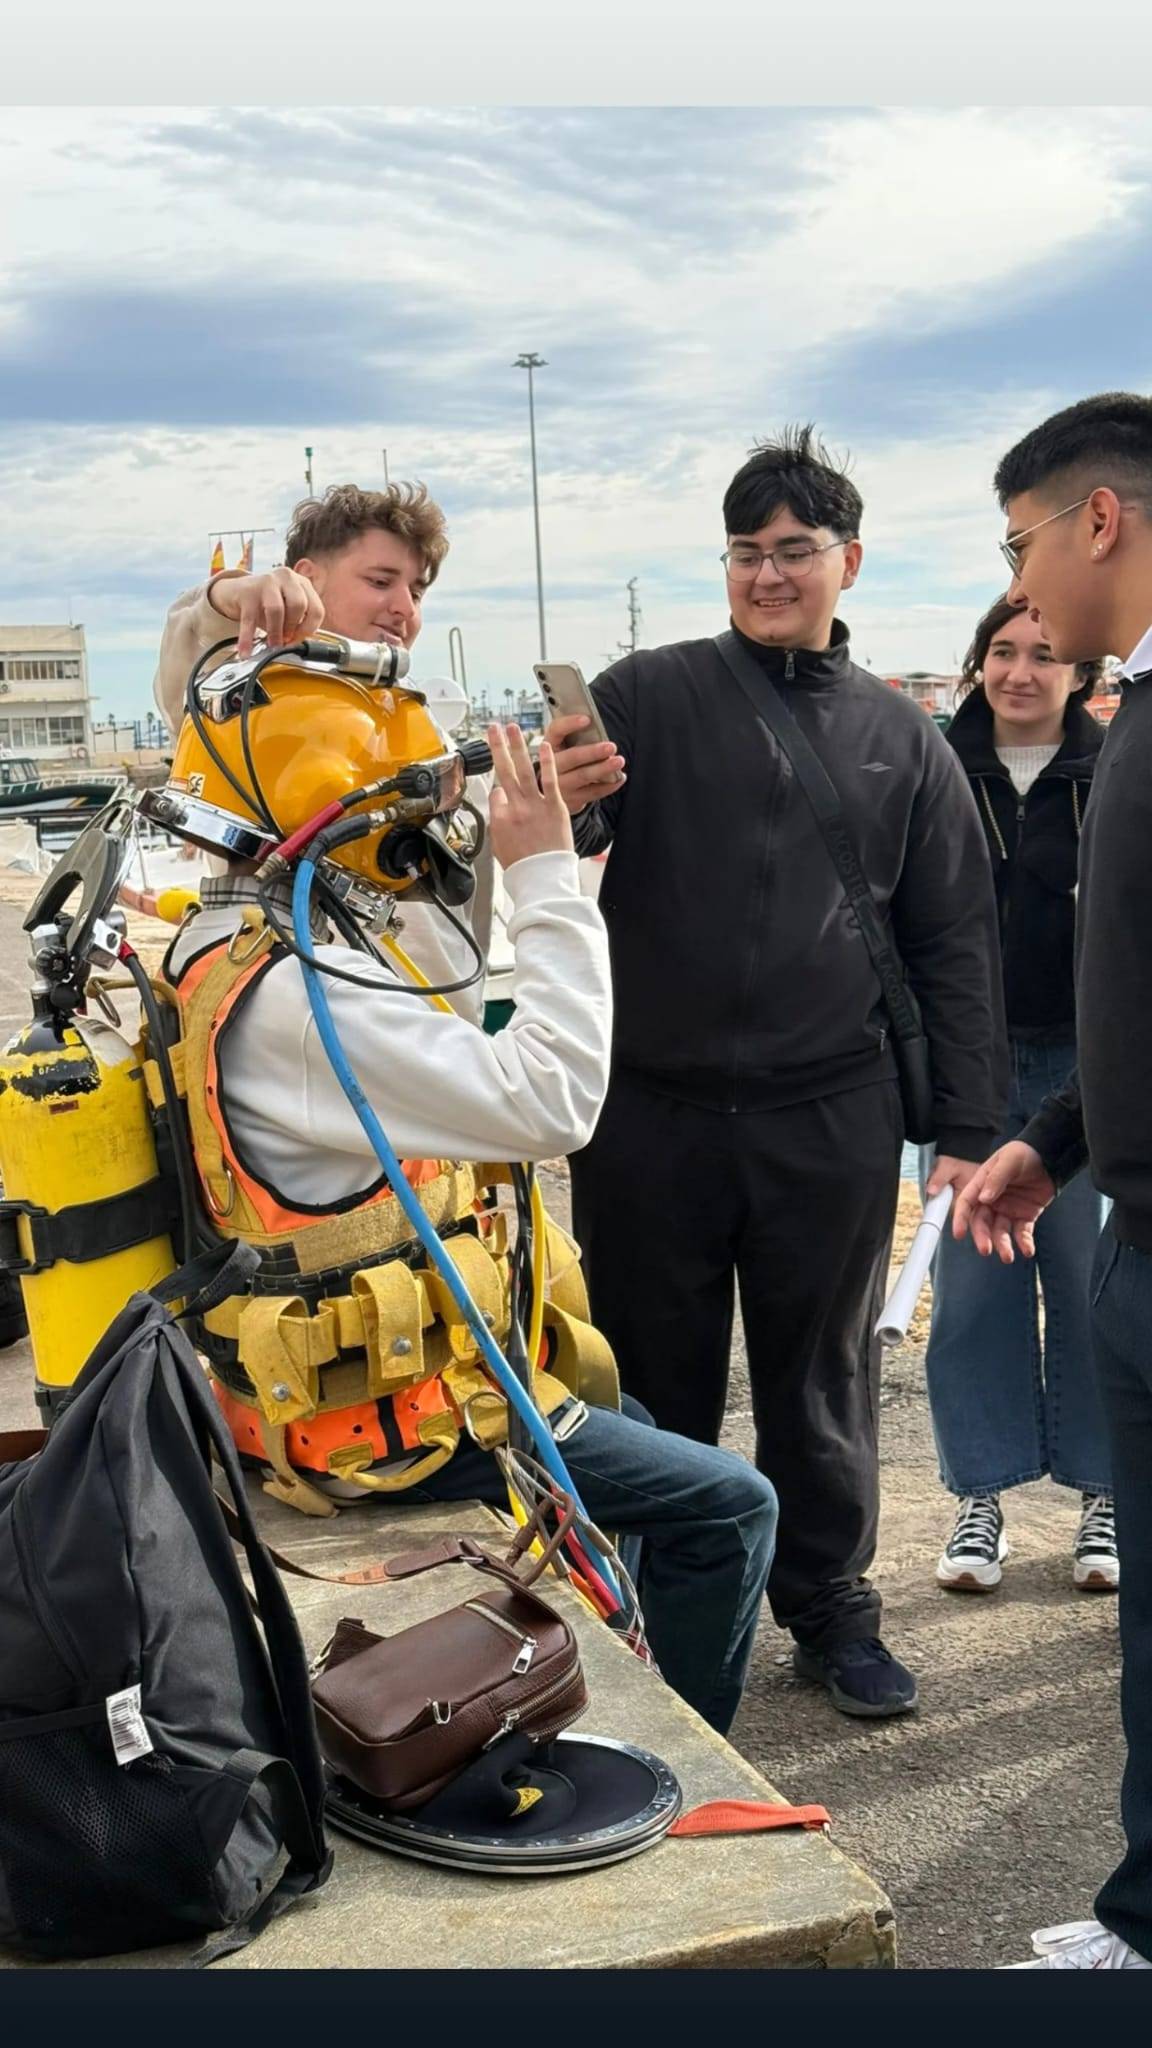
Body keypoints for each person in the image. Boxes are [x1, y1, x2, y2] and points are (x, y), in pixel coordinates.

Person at [151, 482, 778, 1737]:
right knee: (730, 1503)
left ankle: (615, 1681)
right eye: (380, 581)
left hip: (394, 1367)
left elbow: (440, 973)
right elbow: (553, 1101)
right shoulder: (300, 996)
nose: (402, 608)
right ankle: (688, 1750)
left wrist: (509, 836)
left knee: (639, 1423)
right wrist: (546, 867)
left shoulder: (245, 937)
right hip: (383, 1430)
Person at [546, 425, 1006, 1719]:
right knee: (645, 1381)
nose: (766, 575)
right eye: (746, 552)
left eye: (793, 551)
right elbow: (564, 833)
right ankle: (648, 1610)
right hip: (648, 1115)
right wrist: (563, 794)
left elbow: (953, 940)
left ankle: (830, 1607)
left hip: (829, 1116)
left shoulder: (904, 741)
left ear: (848, 561)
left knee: (823, 1386)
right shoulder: (647, 693)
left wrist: (964, 1123)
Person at [953, 391, 1152, 1970]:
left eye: (1024, 544)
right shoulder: (1133, 719)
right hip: (1121, 1213)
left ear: (1099, 522)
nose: (1021, 591)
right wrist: (1053, 1139)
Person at [925, 596, 1113, 1595]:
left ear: (1079, 672)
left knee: (1093, 1285)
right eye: (1002, 651)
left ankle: (1105, 1488)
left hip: (1091, 1069)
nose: (1022, 671)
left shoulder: (1114, 770)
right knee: (970, 1299)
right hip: (973, 1067)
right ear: (978, 662)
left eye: (1045, 653)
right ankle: (980, 1493)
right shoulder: (938, 770)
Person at [154, 484, 493, 1022]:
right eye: (380, 581)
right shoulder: (251, 707)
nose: (404, 607)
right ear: (307, 578)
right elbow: (188, 639)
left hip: (442, 1045)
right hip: (309, 1043)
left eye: (418, 591)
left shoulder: (426, 729)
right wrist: (234, 594)